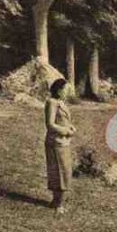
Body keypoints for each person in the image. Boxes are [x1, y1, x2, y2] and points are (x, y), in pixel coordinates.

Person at [44, 78, 76, 214]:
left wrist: (71, 127)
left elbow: (63, 121)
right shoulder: (52, 103)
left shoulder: (61, 103)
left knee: (65, 171)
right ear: (59, 90)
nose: (68, 93)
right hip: (55, 142)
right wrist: (65, 131)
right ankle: (58, 204)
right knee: (59, 171)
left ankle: (56, 201)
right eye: (66, 90)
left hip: (63, 142)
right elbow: (50, 124)